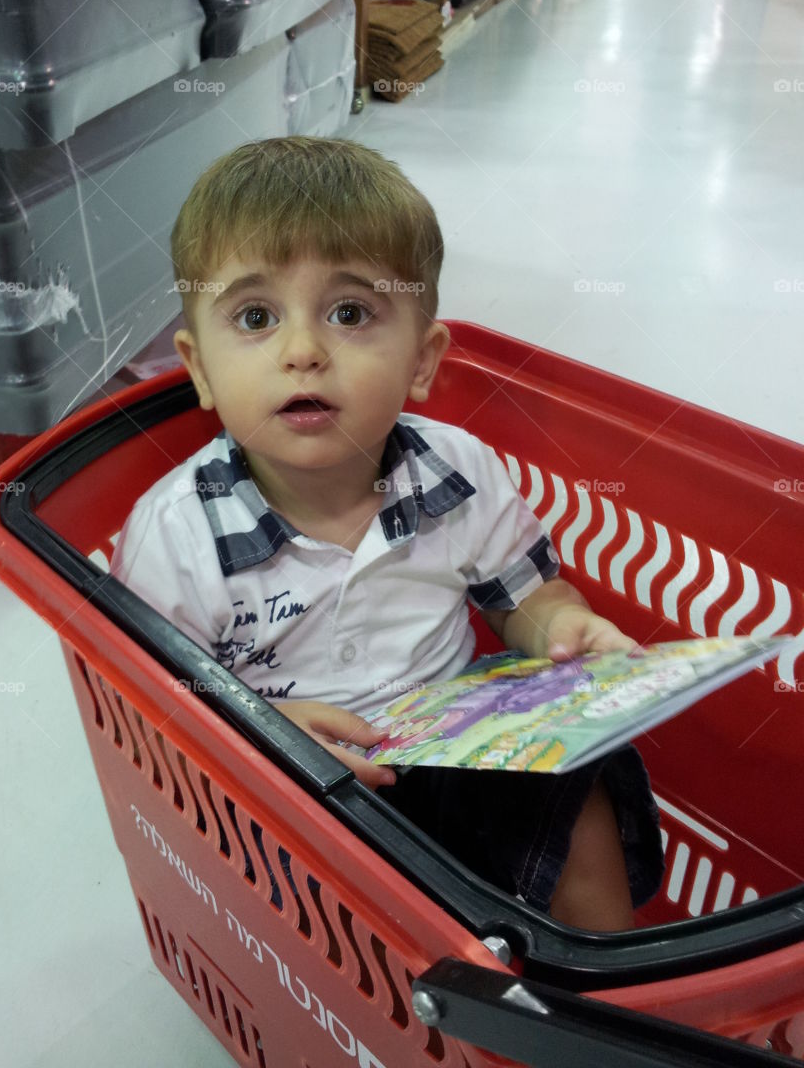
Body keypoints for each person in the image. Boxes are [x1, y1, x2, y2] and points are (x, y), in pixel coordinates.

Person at [111, 137, 663, 930]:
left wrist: (561, 628)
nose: (303, 352)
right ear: (198, 367)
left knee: (577, 784)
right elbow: (154, 711)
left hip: (454, 752)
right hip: (289, 801)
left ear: (421, 361)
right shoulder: (175, 537)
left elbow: (524, 597)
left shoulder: (459, 471)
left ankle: (599, 1003)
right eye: (256, 317)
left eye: (350, 313)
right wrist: (256, 736)